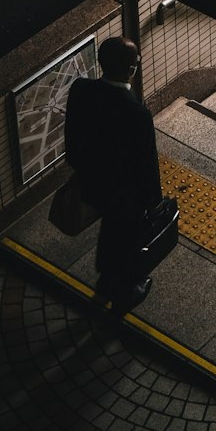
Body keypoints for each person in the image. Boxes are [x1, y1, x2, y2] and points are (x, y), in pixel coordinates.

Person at [64, 35, 162, 315]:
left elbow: (73, 135)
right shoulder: (137, 114)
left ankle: (105, 286)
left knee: (111, 230)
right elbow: (146, 163)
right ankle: (122, 293)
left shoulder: (81, 90)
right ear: (131, 70)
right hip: (125, 196)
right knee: (125, 237)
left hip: (92, 183)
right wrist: (152, 200)